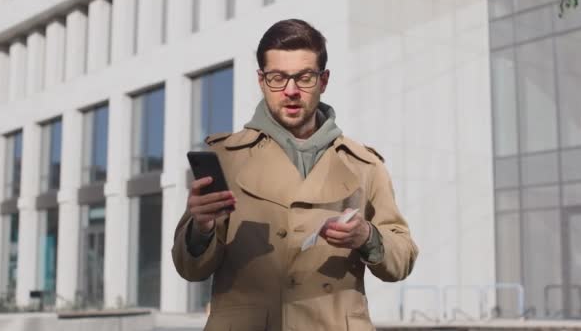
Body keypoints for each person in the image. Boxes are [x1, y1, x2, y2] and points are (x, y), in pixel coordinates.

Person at [172, 19, 418, 331]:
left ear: (323, 80)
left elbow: (403, 258)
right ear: (261, 81)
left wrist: (367, 237)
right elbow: (189, 268)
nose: (290, 91)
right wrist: (202, 227)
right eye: (277, 78)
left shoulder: (365, 165)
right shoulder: (225, 158)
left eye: (304, 77)